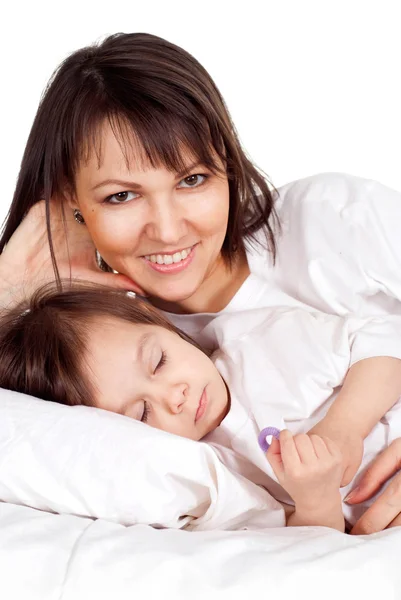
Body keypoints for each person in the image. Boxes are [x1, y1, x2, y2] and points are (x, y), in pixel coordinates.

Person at [1, 32, 401, 532]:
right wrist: (8, 287)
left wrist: (347, 429)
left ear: (229, 166)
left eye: (192, 179)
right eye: (121, 196)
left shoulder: (331, 222)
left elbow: (382, 343)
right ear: (69, 202)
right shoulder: (101, 357)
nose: (167, 230)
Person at [2, 284, 401, 533]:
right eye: (141, 414)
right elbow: (303, 545)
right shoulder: (209, 473)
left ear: (153, 317)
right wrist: (316, 500)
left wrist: (346, 425)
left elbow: (383, 339)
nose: (172, 395)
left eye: (158, 361)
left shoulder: (262, 340)